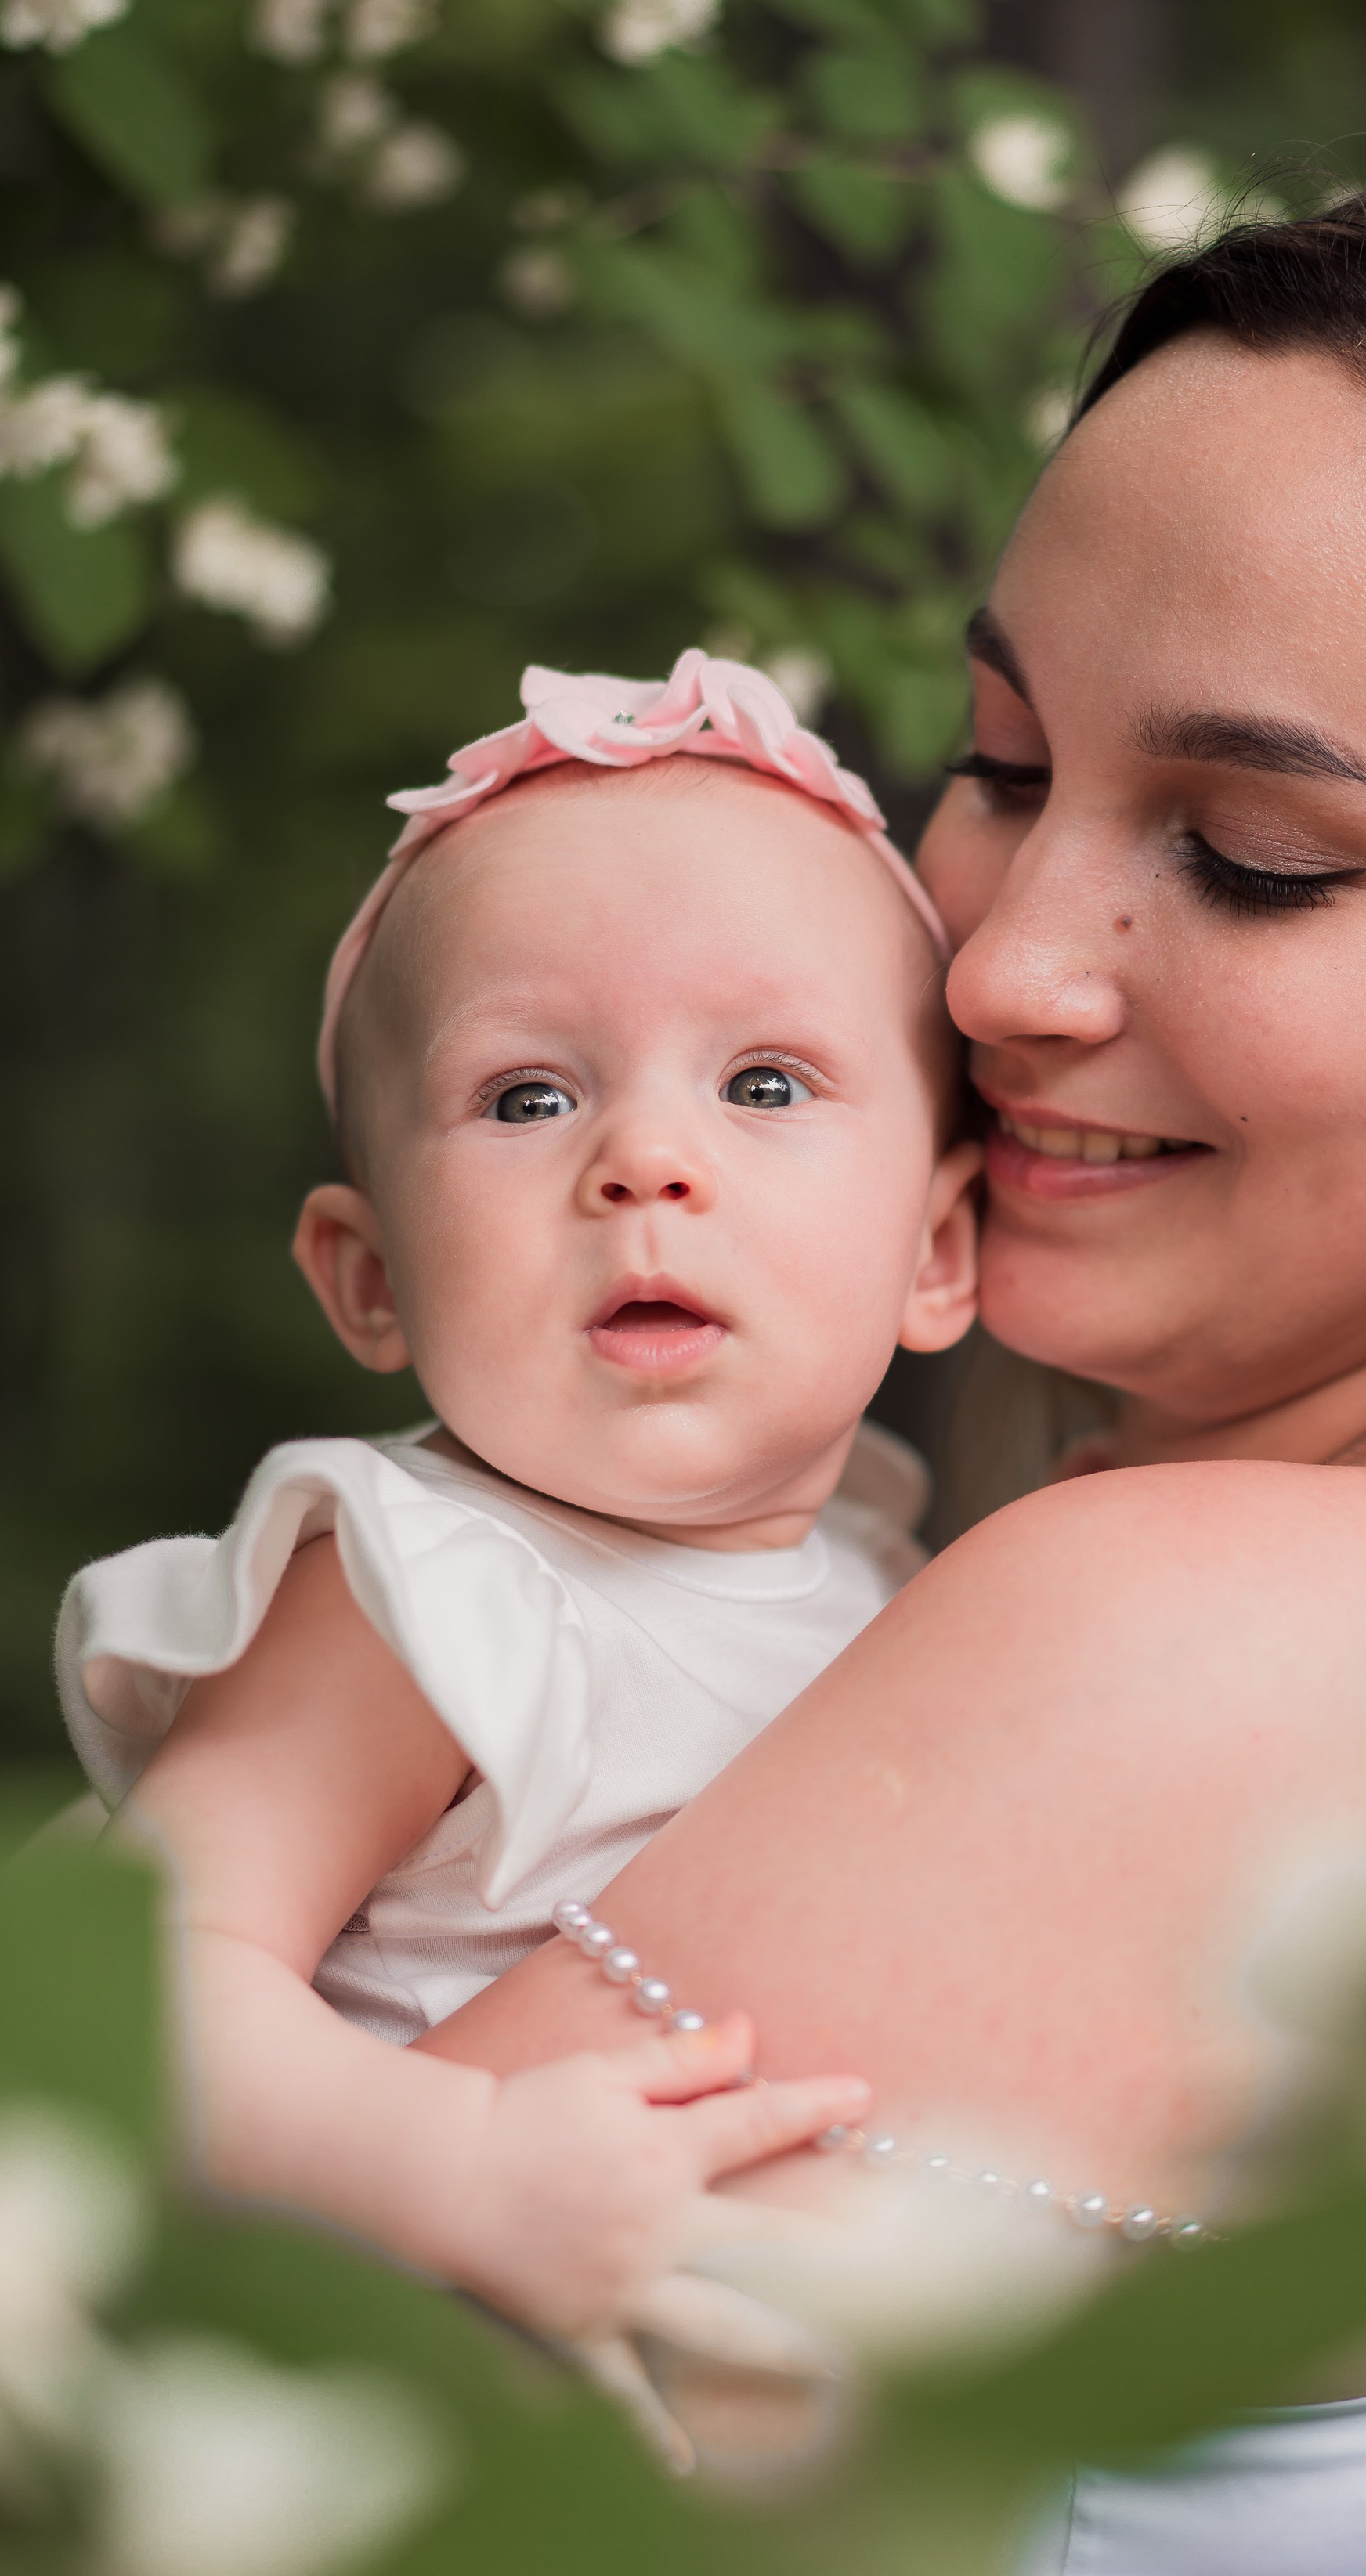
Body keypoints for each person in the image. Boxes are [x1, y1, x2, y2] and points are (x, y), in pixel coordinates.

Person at [421, 152, 1366, 2576]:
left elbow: (69, 2569)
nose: (1003, 960)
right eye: (1000, 763)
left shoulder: (1207, 1635)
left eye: (1256, 859)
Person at [52, 651, 981, 2414]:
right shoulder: (422, 1591)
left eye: (764, 1085)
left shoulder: (883, 1579)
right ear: (372, 1276)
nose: (642, 1158)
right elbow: (126, 1985)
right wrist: (459, 2166)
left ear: (936, 1250)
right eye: (526, 1097)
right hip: (341, 2387)